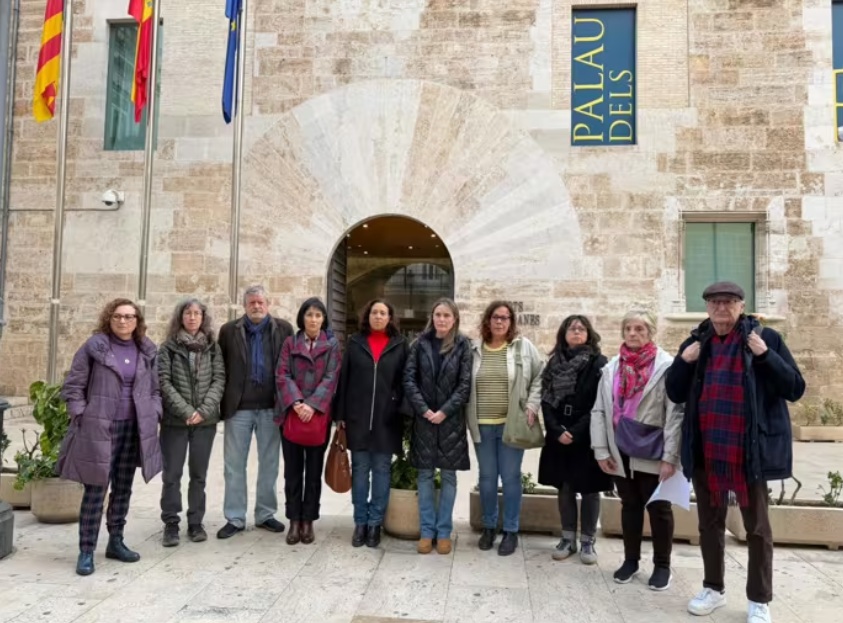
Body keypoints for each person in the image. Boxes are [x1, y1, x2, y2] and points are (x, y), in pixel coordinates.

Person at [665, 282, 805, 623]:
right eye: (714, 302)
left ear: (742, 306)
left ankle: (759, 599)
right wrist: (683, 362)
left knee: (757, 528)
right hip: (707, 451)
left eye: (728, 302)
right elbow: (674, 392)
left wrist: (765, 356)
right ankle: (713, 588)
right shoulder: (697, 343)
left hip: (747, 454)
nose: (721, 308)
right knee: (709, 526)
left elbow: (795, 388)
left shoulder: (766, 339)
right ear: (707, 308)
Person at [59, 298, 163, 576]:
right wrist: (81, 415)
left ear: (137, 321)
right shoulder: (94, 348)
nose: (123, 321)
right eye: (118, 316)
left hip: (134, 428)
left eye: (129, 317)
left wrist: (155, 412)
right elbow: (73, 386)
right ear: (109, 318)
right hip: (100, 428)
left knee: (123, 487)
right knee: (95, 489)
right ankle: (86, 550)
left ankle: (116, 541)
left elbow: (155, 389)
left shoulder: (146, 350)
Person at [590, 310, 683, 591]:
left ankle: (662, 566)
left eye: (640, 328)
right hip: (620, 449)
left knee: (658, 508)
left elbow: (676, 413)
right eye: (628, 328)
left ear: (650, 332)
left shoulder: (665, 367)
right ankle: (631, 561)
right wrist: (601, 449)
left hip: (652, 449)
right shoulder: (612, 368)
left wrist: (671, 457)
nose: (633, 333)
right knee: (629, 506)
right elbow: (599, 410)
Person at [466, 300, 544, 556]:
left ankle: (511, 530)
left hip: (511, 425)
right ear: (487, 320)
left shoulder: (522, 347)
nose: (500, 321)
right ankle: (489, 527)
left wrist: (532, 405)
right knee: (487, 479)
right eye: (495, 317)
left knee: (510, 478)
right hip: (482, 425)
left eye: (505, 317)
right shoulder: (474, 350)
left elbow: (539, 376)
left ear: (511, 322)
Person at [216, 285, 293, 539]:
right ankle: (235, 517)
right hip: (239, 408)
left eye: (260, 302)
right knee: (233, 465)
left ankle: (265, 514)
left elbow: (290, 366)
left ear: (267, 304)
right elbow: (221, 367)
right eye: (252, 303)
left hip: (272, 407)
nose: (256, 307)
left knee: (269, 463)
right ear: (245, 305)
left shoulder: (283, 329)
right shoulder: (229, 331)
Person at [537, 315, 611, 564]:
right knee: (565, 486)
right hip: (558, 432)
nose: (577, 332)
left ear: (589, 333)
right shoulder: (553, 363)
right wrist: (557, 430)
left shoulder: (599, 363)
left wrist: (576, 432)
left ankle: (588, 540)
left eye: (581, 328)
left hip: (587, 432)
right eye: (572, 328)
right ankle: (567, 538)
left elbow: (599, 403)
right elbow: (545, 400)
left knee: (590, 489)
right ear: (564, 334)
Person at [334, 299, 408, 548]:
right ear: (368, 315)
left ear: (390, 317)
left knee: (382, 471)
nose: (378, 316)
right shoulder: (355, 343)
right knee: (360, 471)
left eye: (383, 312)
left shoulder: (400, 345)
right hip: (358, 418)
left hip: (387, 420)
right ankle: (360, 523)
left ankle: (376, 523)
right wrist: (341, 415)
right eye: (374, 312)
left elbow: (405, 381)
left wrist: (400, 408)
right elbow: (344, 379)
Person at [403, 297, 472, 555]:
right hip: (425, 420)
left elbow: (465, 385)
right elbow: (409, 379)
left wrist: (444, 411)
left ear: (454, 319)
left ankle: (444, 532)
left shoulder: (463, 346)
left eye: (446, 315)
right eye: (438, 314)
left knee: (449, 476)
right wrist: (424, 410)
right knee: (425, 475)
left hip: (450, 421)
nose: (441, 319)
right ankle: (426, 531)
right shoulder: (419, 344)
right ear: (432, 317)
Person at [157, 298, 225, 547]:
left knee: (199, 475)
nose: (193, 317)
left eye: (197, 313)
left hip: (204, 423)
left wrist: (204, 411)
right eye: (188, 313)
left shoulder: (213, 348)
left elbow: (219, 380)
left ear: (203, 317)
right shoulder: (168, 348)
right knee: (172, 474)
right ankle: (171, 523)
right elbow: (163, 382)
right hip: (175, 422)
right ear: (181, 317)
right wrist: (186, 410)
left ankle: (196, 522)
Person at [277, 297, 341, 545]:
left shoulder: (332, 345)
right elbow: (282, 374)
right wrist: (297, 403)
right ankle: (293, 520)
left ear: (324, 319)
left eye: (318, 315)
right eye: (309, 315)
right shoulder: (290, 343)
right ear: (302, 318)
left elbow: (331, 377)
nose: (313, 319)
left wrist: (312, 405)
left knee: (313, 473)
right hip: (292, 416)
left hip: (318, 418)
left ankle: (308, 521)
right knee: (292, 472)